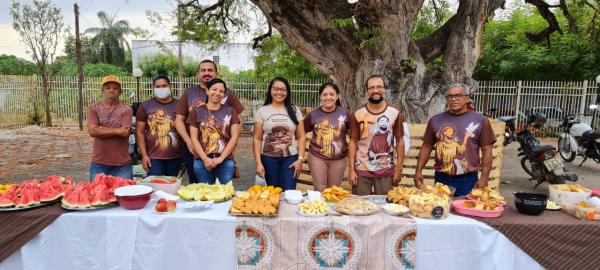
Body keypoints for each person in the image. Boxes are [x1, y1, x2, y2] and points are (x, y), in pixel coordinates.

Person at [414, 83, 496, 197]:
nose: (454, 99)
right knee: (442, 210)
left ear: (467, 98)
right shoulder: (435, 120)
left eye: (458, 95)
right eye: (450, 96)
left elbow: (487, 150)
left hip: (467, 179)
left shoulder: (480, 121)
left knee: (466, 211)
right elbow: (426, 146)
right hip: (441, 178)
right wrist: (418, 171)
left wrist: (484, 178)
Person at [175, 59, 244, 183]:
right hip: (194, 150)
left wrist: (230, 146)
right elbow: (179, 120)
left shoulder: (228, 94)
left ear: (216, 73)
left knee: (224, 189)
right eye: (203, 70)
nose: (206, 73)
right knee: (198, 186)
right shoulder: (189, 93)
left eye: (210, 70)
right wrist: (189, 141)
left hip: (222, 152)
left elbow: (238, 122)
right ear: (198, 74)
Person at [348, 75, 405, 195]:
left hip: (385, 170)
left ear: (384, 89)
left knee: (385, 206)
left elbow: (400, 141)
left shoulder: (394, 113)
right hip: (361, 170)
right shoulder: (358, 113)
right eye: (371, 87)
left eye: (379, 87)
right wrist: (351, 170)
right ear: (367, 91)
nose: (375, 90)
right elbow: (353, 142)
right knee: (359, 208)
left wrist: (399, 169)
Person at [253, 77, 306, 190]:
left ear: (287, 92)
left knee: (289, 192)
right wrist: (258, 163)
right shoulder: (262, 111)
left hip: (291, 159)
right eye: (276, 89)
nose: (279, 92)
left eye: (283, 89)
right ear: (270, 90)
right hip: (268, 159)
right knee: (272, 193)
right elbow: (257, 139)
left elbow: (301, 137)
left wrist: (300, 159)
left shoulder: (294, 110)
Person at [186, 78, 240, 184]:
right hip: (201, 161)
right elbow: (194, 138)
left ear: (224, 94)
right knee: (205, 195)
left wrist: (221, 158)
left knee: (224, 194)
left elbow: (234, 137)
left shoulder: (230, 111)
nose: (217, 93)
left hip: (225, 161)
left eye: (221, 91)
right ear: (207, 91)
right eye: (214, 89)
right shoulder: (196, 111)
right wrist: (205, 159)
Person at [303, 82, 353, 191]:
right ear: (320, 96)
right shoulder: (313, 114)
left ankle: (330, 208)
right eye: (325, 95)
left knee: (334, 190)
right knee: (320, 188)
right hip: (317, 157)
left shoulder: (345, 113)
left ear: (337, 96)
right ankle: (320, 207)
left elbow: (353, 136)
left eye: (331, 94)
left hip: (338, 158)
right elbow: (301, 132)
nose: (328, 97)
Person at [87, 75, 134, 180]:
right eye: (108, 88)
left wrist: (100, 128)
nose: (111, 90)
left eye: (115, 88)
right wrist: (118, 130)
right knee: (97, 195)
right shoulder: (94, 108)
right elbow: (92, 131)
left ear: (120, 92)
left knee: (124, 195)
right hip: (99, 163)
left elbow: (125, 133)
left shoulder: (127, 109)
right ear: (102, 91)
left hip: (122, 164)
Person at [135, 75, 182, 177]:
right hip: (153, 157)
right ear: (153, 88)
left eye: (164, 86)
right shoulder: (145, 106)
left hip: (175, 156)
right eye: (158, 86)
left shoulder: (180, 105)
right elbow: (139, 132)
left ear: (170, 86)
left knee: (171, 186)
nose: (161, 89)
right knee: (155, 186)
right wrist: (144, 155)